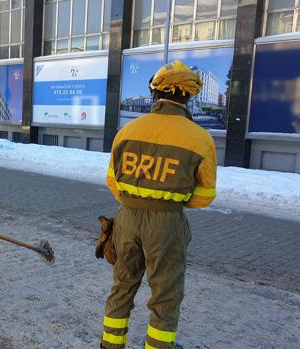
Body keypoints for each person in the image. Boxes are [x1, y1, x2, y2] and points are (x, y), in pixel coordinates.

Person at [100, 61, 217, 349]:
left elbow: (113, 182)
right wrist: (170, 198)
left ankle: (110, 345)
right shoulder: (200, 139)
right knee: (165, 295)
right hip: (166, 225)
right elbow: (205, 196)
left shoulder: (127, 132)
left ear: (154, 92)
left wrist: (136, 200)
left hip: (126, 219)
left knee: (123, 286)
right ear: (188, 96)